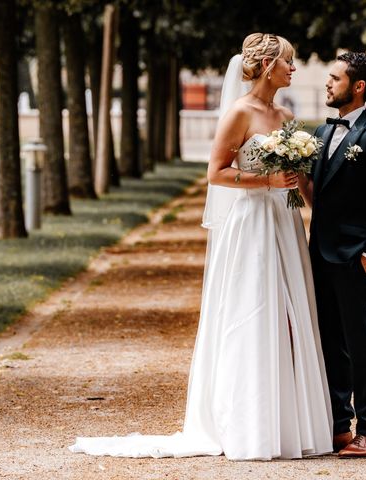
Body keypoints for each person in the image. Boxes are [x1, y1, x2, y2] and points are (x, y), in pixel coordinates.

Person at [69, 33, 333, 461]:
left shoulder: (286, 115)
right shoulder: (239, 114)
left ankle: (290, 424)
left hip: (284, 224)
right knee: (254, 310)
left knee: (290, 313)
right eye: (289, 62)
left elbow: (299, 178)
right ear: (268, 66)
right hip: (252, 225)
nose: (294, 68)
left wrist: (321, 213)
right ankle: (249, 425)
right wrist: (266, 182)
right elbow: (216, 173)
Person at [301, 52, 366, 458]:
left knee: (361, 344)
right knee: (329, 342)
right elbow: (319, 201)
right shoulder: (321, 134)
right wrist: (300, 184)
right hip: (321, 256)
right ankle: (339, 425)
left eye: (335, 78)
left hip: (355, 258)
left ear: (357, 87)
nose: (328, 84)